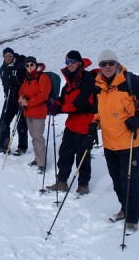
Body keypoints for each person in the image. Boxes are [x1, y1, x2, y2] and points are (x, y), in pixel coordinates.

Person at [93, 49, 139, 232]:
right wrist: (94, 122)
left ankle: (132, 218)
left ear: (117, 63)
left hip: (129, 141)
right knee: (117, 180)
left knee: (129, 181)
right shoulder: (98, 84)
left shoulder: (130, 80)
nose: (107, 67)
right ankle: (124, 208)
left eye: (110, 63)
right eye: (103, 64)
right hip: (109, 142)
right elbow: (99, 109)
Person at [45, 50, 97, 195]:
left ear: (79, 62)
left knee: (83, 157)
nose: (70, 64)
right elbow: (63, 98)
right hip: (71, 124)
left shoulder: (87, 79)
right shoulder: (69, 82)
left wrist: (60, 108)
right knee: (65, 153)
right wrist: (54, 103)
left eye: (72, 61)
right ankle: (62, 182)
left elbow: (81, 103)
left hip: (85, 124)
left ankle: (83, 185)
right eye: (67, 62)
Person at [18, 56, 51, 173]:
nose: (29, 67)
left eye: (31, 64)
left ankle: (42, 163)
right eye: (27, 65)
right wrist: (21, 99)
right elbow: (21, 91)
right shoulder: (27, 78)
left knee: (38, 137)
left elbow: (43, 95)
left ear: (36, 65)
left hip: (38, 112)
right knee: (34, 137)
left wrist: (28, 102)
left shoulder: (43, 77)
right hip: (28, 112)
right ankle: (37, 159)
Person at [0, 47, 28, 156]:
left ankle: (22, 147)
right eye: (6, 56)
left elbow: (25, 82)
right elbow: (4, 83)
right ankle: (4, 147)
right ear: (3, 57)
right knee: (4, 122)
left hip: (20, 99)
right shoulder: (3, 68)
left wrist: (16, 82)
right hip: (9, 98)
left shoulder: (21, 66)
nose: (8, 57)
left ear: (13, 56)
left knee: (21, 124)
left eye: (10, 55)